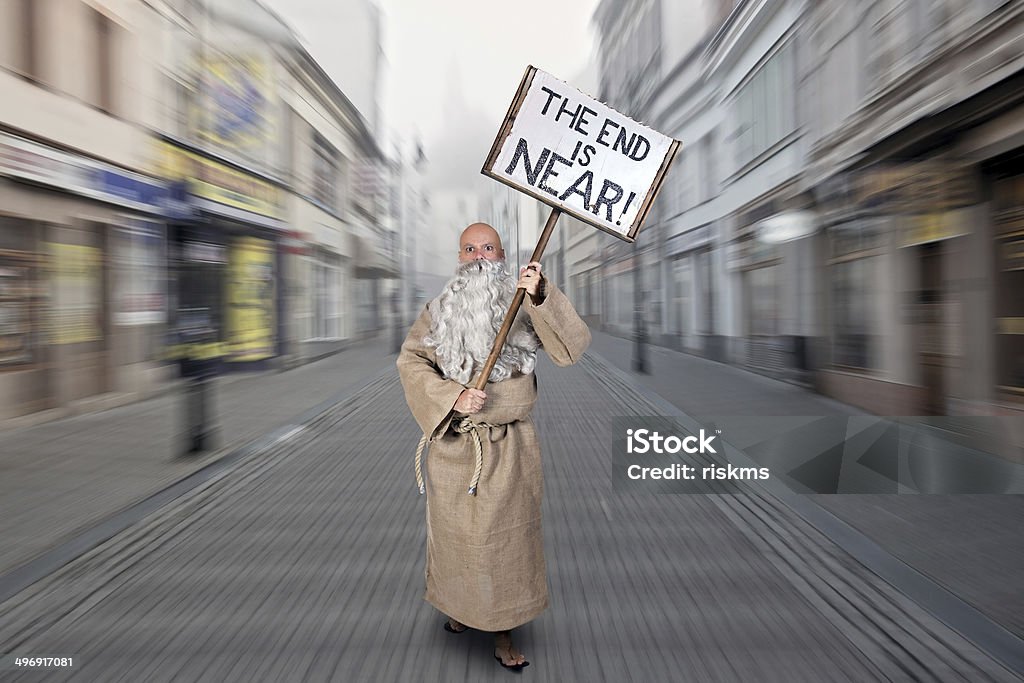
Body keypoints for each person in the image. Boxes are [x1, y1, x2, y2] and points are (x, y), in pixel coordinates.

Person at [396, 222, 590, 670]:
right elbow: (411, 360)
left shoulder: (523, 303)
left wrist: (542, 293)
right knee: (456, 541)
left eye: (488, 247)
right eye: (469, 248)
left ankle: (502, 630)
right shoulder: (439, 309)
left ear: (502, 255)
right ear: (459, 257)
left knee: (505, 544)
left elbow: (571, 348)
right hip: (455, 444)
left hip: (510, 449)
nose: (479, 256)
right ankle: (460, 609)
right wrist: (453, 397)